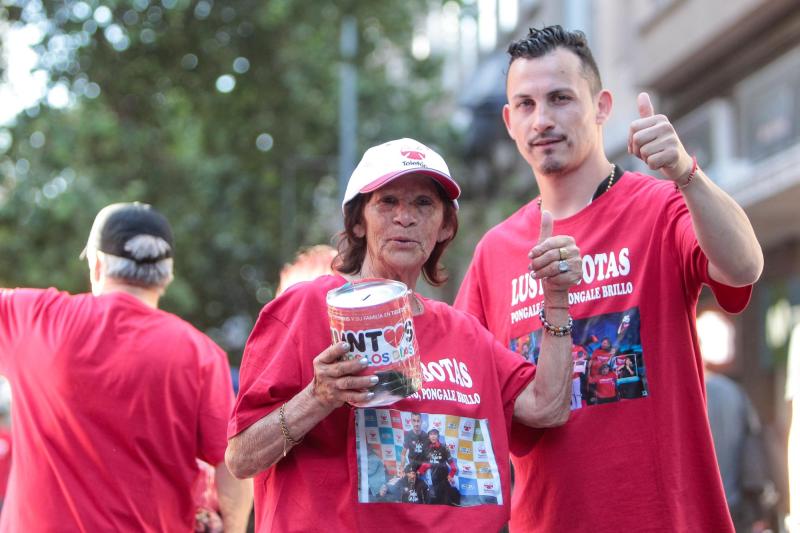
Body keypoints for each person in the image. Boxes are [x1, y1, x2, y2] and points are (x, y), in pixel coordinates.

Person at [454, 26, 763, 532]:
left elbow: (744, 266)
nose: (543, 119)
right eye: (526, 105)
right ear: (509, 121)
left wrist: (686, 173)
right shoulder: (495, 252)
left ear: (601, 106)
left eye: (560, 98)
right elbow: (466, 398)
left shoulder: (660, 207)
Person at [225, 138, 581, 531]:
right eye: (388, 201)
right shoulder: (307, 307)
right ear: (358, 220)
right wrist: (318, 397)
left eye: (423, 204)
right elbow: (242, 458)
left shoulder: (464, 332)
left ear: (445, 225)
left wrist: (557, 298)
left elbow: (548, 407)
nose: (405, 217)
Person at [0, 202, 253, 532]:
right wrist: (231, 527)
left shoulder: (35, 318)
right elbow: (231, 466)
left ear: (97, 265)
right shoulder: (200, 354)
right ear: (167, 276)